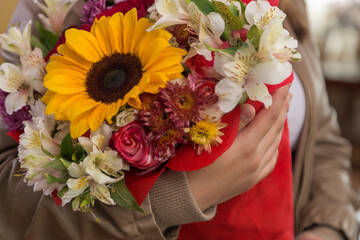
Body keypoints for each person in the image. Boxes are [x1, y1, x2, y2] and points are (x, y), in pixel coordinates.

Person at [0, 0, 358, 239]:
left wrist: (329, 228)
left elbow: (324, 141)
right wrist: (172, 200)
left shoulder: (280, 8)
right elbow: (8, 187)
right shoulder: (60, 8)